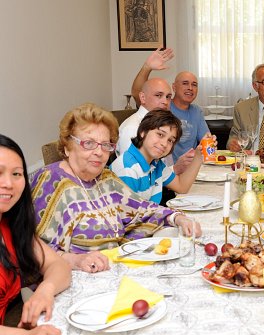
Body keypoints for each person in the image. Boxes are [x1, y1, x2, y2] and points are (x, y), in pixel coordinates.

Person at [31, 103, 201, 273]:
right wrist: (76, 260)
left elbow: (142, 209)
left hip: (113, 269)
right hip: (76, 277)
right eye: (89, 143)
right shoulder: (50, 181)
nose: (99, 152)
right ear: (67, 146)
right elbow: (33, 247)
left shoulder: (106, 179)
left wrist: (177, 218)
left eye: (106, 145)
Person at [0, 134, 70, 335]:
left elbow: (58, 265)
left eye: (16, 174)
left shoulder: (11, 226)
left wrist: (45, 290)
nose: (8, 183)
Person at [130, 48, 212, 163]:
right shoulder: (164, 107)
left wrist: (210, 142)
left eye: (194, 85)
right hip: (166, 169)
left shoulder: (196, 111)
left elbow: (206, 140)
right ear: (174, 87)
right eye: (185, 83)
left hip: (189, 167)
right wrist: (147, 67)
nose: (190, 88)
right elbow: (137, 93)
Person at [111, 110, 202, 204]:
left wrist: (199, 156)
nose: (164, 144)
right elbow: (128, 216)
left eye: (170, 140)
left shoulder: (155, 164)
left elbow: (182, 186)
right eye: (160, 134)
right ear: (143, 132)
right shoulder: (128, 170)